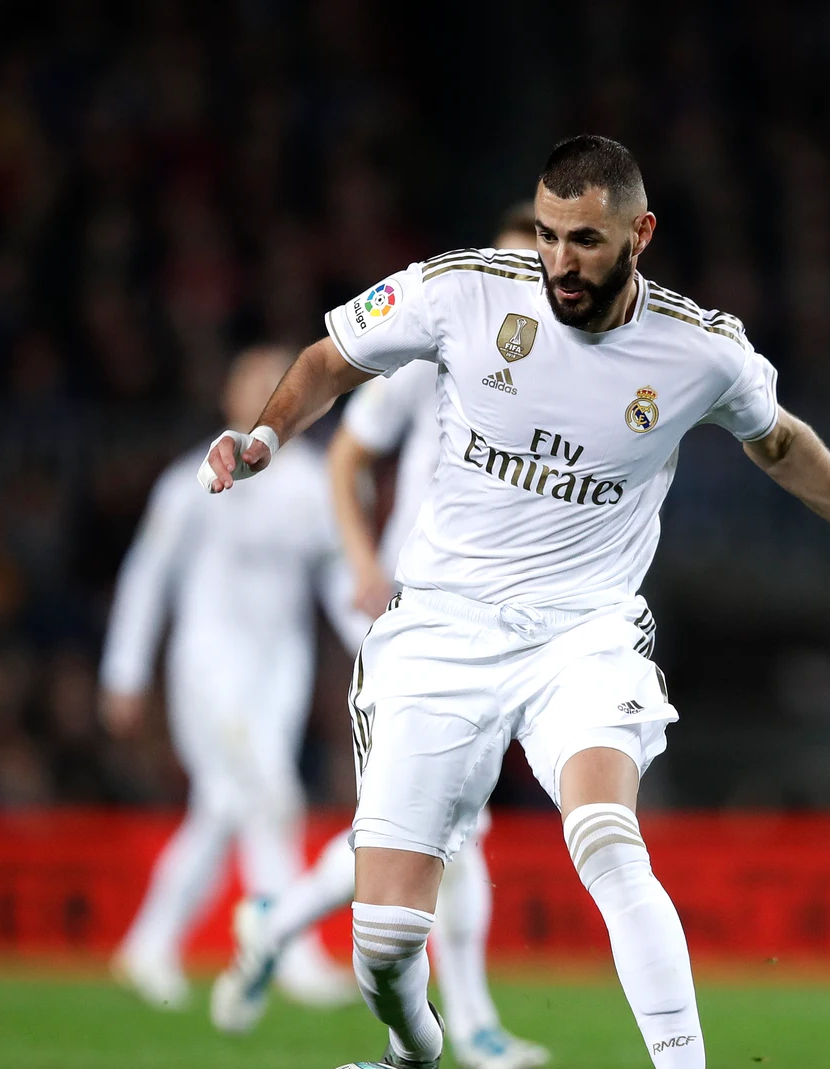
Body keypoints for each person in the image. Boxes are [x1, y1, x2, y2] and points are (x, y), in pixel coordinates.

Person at [198, 135, 830, 1069]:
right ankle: (415, 1053)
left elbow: (781, 443)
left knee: (609, 839)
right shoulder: (463, 290)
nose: (560, 262)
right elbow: (331, 361)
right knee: (382, 947)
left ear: (639, 233)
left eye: (584, 239)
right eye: (547, 235)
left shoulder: (701, 350)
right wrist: (261, 436)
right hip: (442, 626)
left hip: (585, 631)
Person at [209, 203, 549, 1069]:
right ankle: (470, 1025)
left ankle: (275, 920)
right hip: (417, 609)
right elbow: (348, 458)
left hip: (499, 619)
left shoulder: (564, 370)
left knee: (428, 823)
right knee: (445, 827)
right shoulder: (435, 350)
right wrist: (362, 562)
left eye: (534, 268)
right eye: (506, 264)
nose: (523, 285)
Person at [101, 346, 361, 1011]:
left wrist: (378, 645)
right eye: (251, 385)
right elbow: (146, 576)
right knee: (269, 796)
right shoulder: (193, 478)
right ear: (227, 397)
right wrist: (124, 670)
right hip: (207, 668)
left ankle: (148, 948)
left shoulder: (311, 485)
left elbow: (339, 581)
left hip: (280, 674)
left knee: (223, 805)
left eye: (277, 386)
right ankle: (292, 952)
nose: (264, 397)